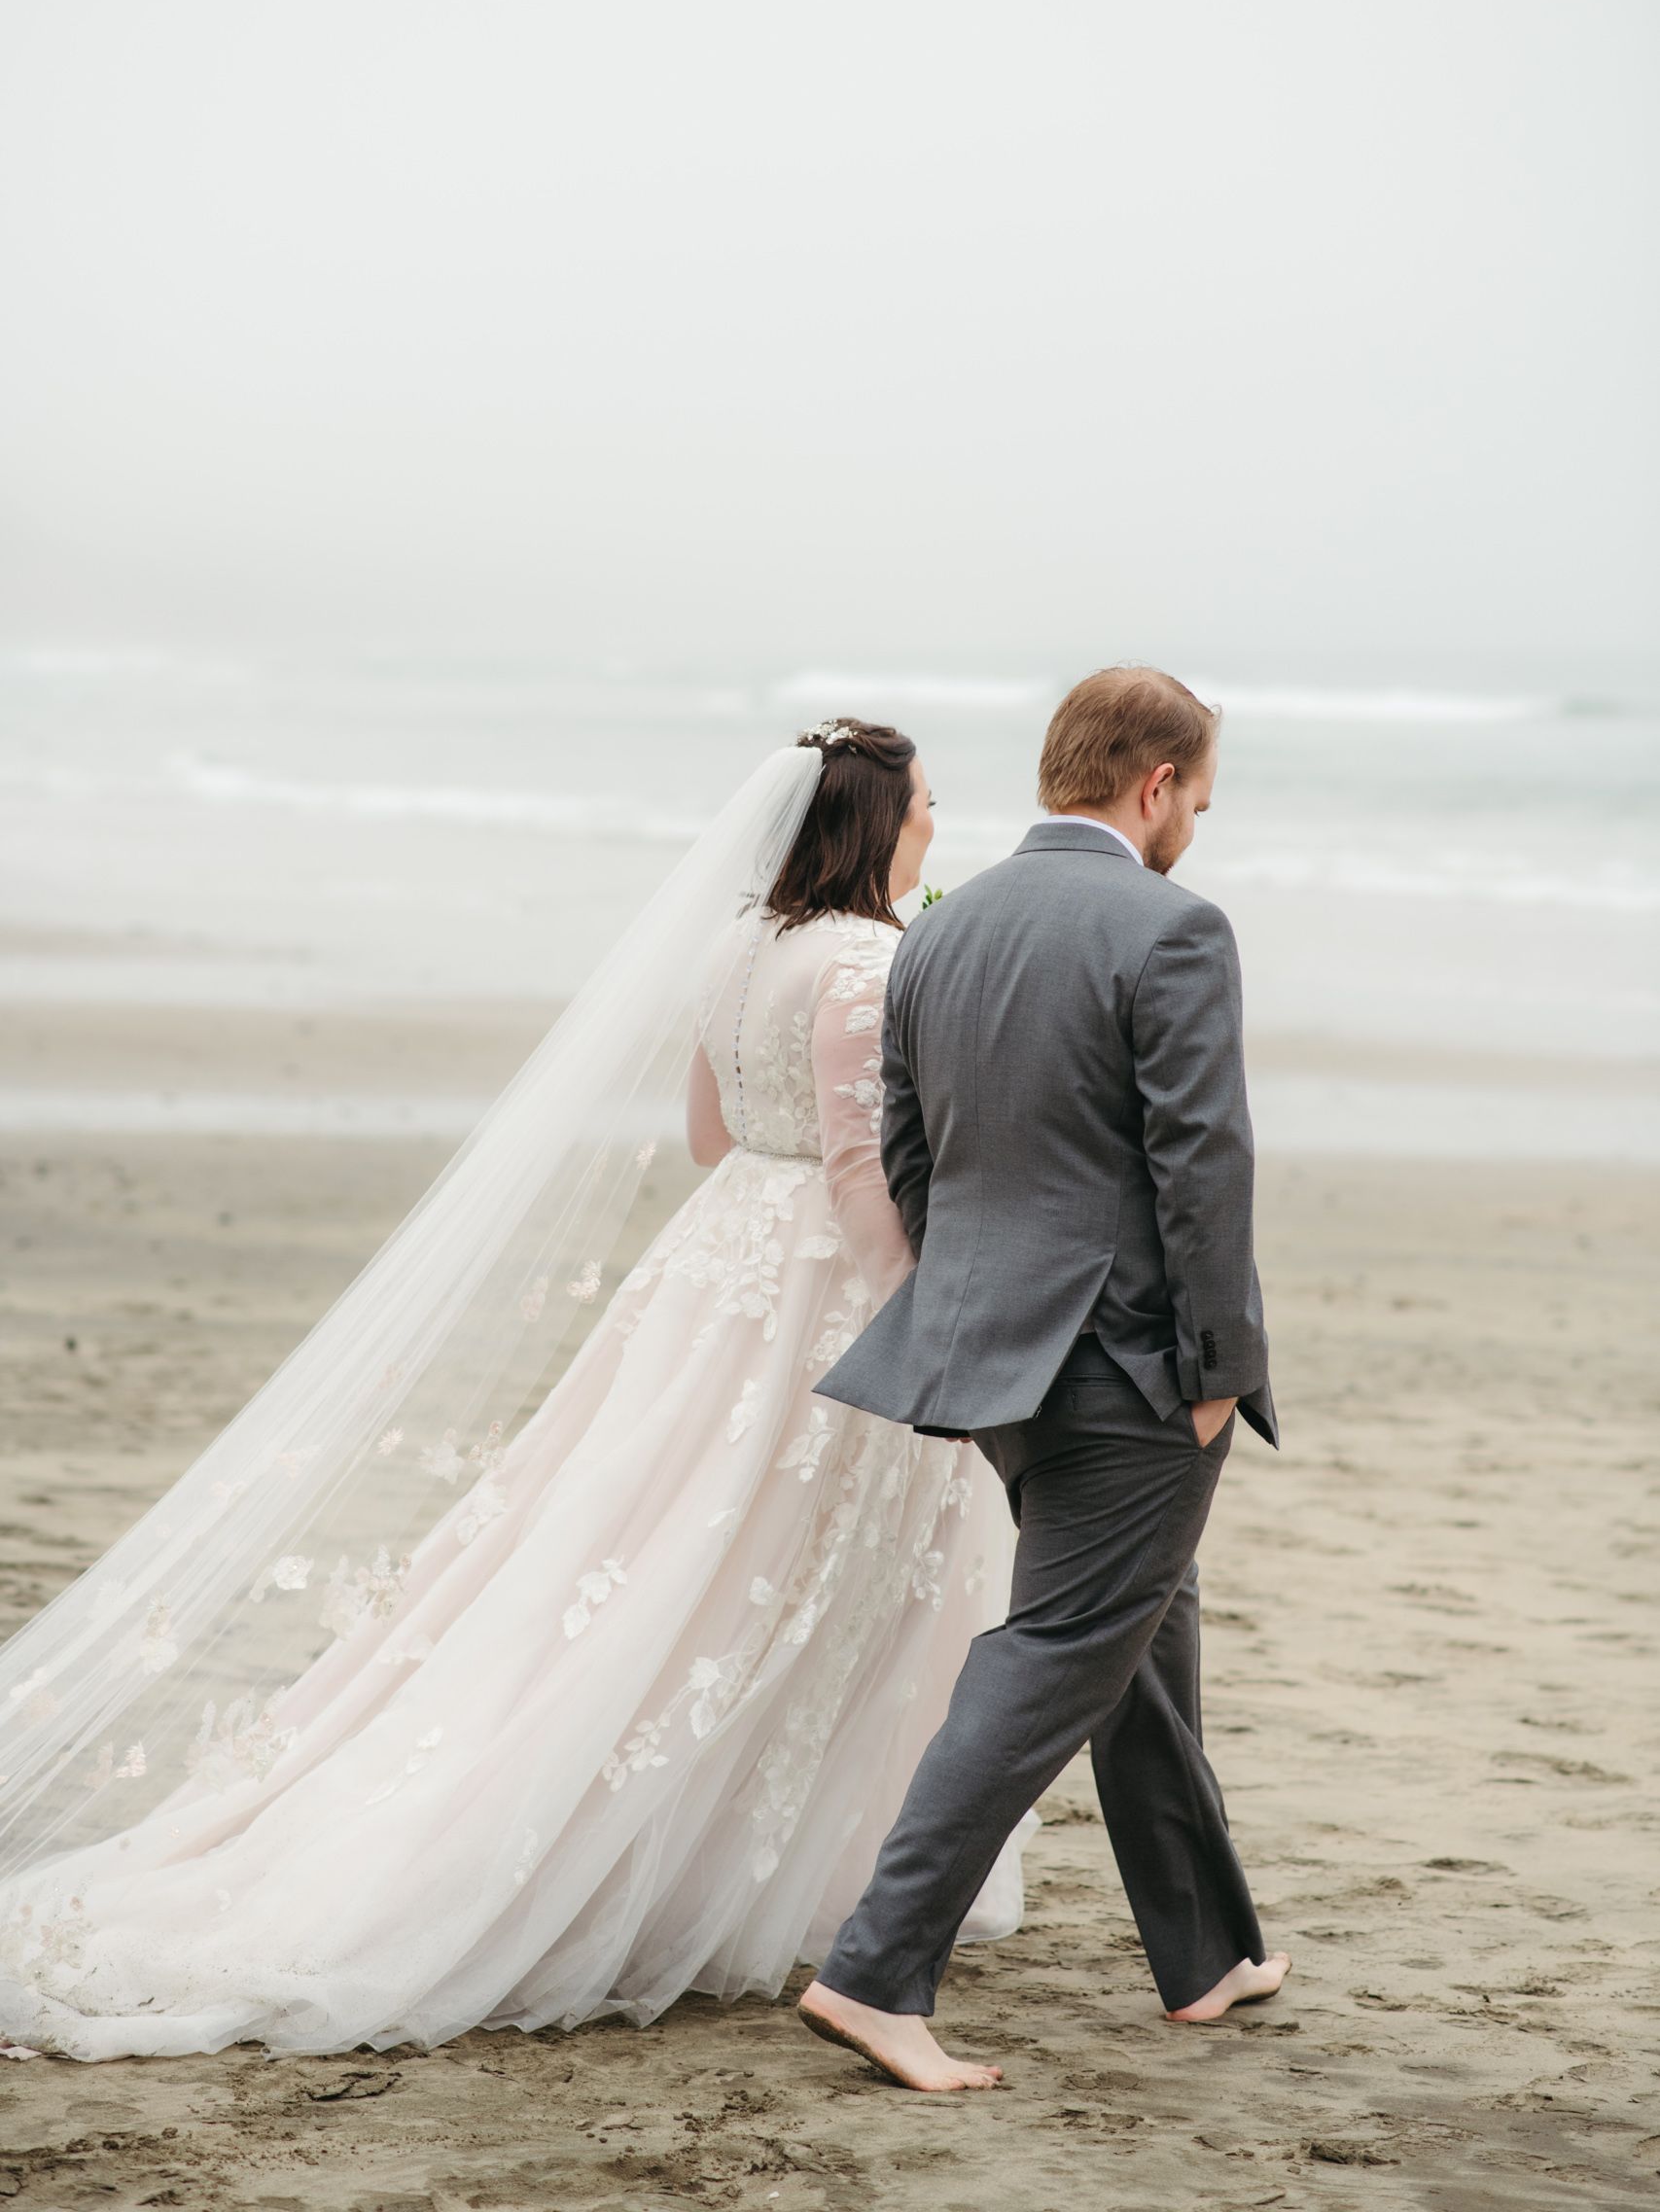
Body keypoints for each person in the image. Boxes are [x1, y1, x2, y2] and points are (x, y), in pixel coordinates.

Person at [0, 720, 1029, 2059]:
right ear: (875, 823)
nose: (937, 828)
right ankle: (741, 1869)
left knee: (664, 1546)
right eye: (929, 806)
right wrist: (922, 1317)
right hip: (820, 1291)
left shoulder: (739, 948)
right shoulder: (865, 961)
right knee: (781, 1569)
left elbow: (708, 1134)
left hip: (716, 1267)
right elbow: (853, 1169)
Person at [799, 666, 1290, 2091]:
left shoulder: (940, 936)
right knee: (1061, 1649)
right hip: (1135, 1364)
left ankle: (1206, 1953)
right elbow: (1206, 1165)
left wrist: (970, 1301)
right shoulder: (1175, 925)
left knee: (1137, 1630)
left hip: (994, 1354)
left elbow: (909, 1152)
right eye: (1197, 796)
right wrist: (1218, 1369)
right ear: (1154, 787)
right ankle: (877, 1972)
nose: (1196, 820)